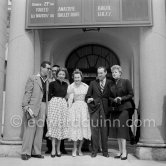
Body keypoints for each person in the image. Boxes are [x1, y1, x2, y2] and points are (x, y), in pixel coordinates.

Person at [21, 61, 51, 160]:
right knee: (30, 129)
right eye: (47, 68)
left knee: (40, 129)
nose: (49, 70)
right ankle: (25, 152)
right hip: (32, 107)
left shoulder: (47, 81)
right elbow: (27, 92)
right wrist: (25, 105)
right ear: (42, 68)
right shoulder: (32, 78)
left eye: (49, 69)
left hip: (43, 106)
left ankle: (36, 152)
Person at [109, 65, 134, 160]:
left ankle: (124, 151)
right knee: (117, 130)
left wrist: (121, 98)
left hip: (125, 108)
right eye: (113, 72)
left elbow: (131, 94)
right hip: (115, 109)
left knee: (122, 129)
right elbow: (109, 96)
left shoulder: (126, 81)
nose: (114, 74)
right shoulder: (111, 84)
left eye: (116, 72)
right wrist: (113, 99)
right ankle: (119, 151)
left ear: (120, 73)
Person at [85, 66, 111, 158]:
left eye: (101, 73)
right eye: (98, 73)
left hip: (105, 109)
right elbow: (87, 97)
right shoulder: (93, 83)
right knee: (94, 131)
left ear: (105, 73)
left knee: (104, 131)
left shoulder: (110, 83)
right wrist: (90, 100)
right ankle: (94, 151)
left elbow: (111, 96)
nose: (99, 75)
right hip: (94, 109)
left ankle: (105, 151)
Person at [67, 69, 91, 157]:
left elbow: (88, 97)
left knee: (82, 128)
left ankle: (80, 149)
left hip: (84, 108)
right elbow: (70, 100)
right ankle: (74, 148)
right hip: (75, 108)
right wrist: (69, 110)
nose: (77, 79)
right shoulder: (71, 86)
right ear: (73, 77)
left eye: (78, 77)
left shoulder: (86, 86)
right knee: (75, 128)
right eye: (75, 77)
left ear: (81, 77)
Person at [46, 67, 69, 157]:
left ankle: (58, 149)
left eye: (63, 74)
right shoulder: (52, 84)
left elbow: (67, 96)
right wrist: (48, 109)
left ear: (65, 75)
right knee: (53, 126)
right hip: (54, 104)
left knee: (60, 127)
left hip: (63, 105)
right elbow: (49, 96)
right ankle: (53, 149)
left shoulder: (66, 84)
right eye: (60, 74)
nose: (61, 76)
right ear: (57, 74)